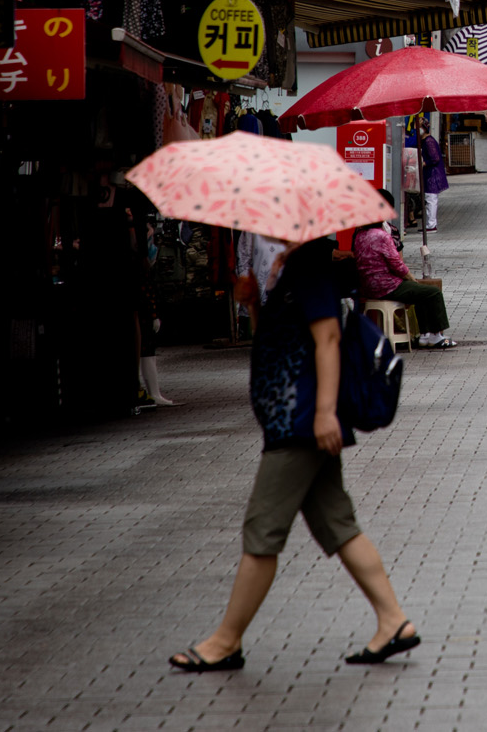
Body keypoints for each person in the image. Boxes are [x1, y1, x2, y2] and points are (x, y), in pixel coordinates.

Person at [168, 235, 421, 673]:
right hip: (293, 418)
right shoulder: (289, 267)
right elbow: (284, 338)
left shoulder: (308, 265)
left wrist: (324, 414)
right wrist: (253, 305)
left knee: (263, 529)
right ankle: (393, 621)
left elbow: (325, 340)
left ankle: (225, 641)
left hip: (300, 423)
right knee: (337, 523)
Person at [353, 196, 455, 349]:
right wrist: (412, 279)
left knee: (420, 293)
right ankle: (436, 335)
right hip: (388, 286)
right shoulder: (381, 236)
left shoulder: (359, 236)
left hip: (369, 286)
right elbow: (397, 264)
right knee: (432, 292)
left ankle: (425, 334)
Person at [409, 121, 448, 231]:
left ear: (424, 128)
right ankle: (430, 224)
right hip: (430, 174)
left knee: (431, 199)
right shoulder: (425, 141)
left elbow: (435, 158)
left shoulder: (429, 141)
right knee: (430, 199)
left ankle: (431, 225)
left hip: (432, 175)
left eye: (419, 127)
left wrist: (423, 163)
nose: (417, 130)